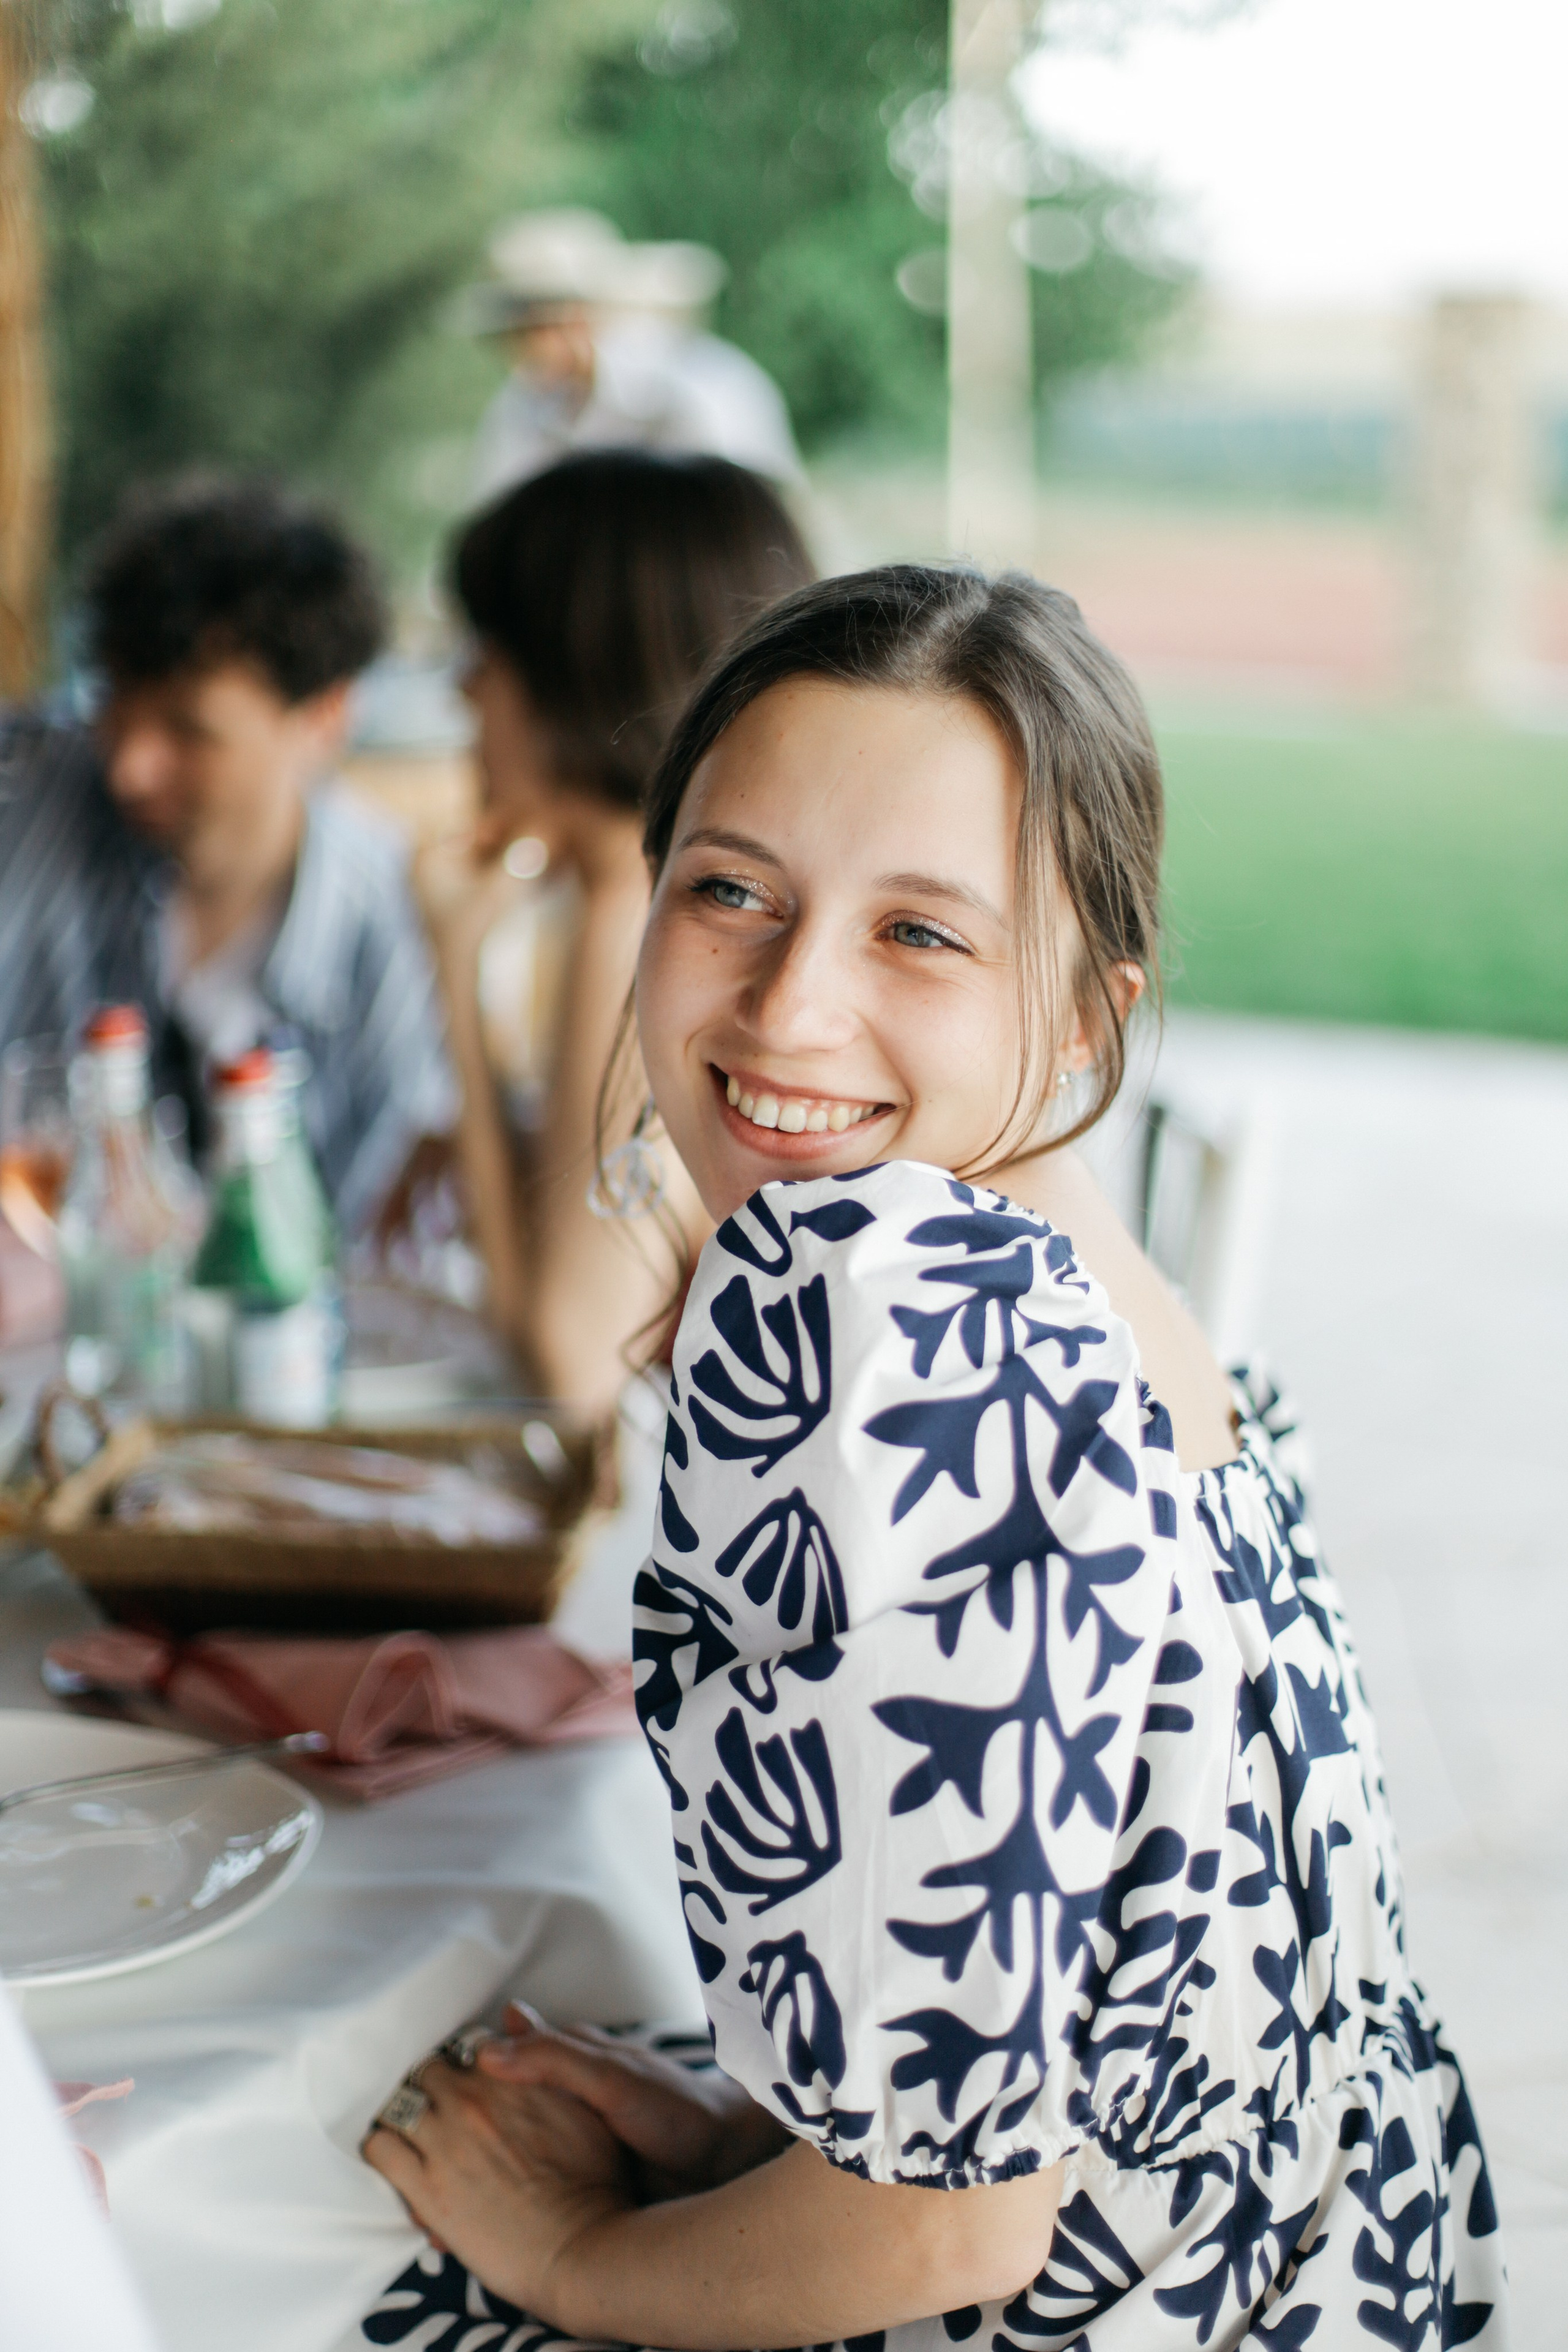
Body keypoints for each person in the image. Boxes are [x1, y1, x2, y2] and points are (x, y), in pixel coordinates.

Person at [363, 567, 1506, 2347]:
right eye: (731, 891)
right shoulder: (1059, 1253)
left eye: (920, 932)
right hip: (1311, 2260)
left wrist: (580, 2259)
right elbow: (1054, 1922)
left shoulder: (887, 1310)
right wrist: (765, 2131)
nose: (788, 1007)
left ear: (1080, 1019)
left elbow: (945, 2233)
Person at [423, 447, 813, 1411]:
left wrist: (454, 975)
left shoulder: (640, 914)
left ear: (576, 676)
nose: (463, 689)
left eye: (491, 649)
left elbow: (570, 1365)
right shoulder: (693, 896)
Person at [0, 478, 456, 1238]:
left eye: (189, 730)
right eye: (114, 704)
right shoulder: (26, 792)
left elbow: (395, 1239)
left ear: (323, 717)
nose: (130, 768)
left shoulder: (392, 917)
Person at [462, 209, 802, 508]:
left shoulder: (686, 388)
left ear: (570, 320)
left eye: (523, 333)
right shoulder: (525, 406)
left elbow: (746, 514)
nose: (512, 351)